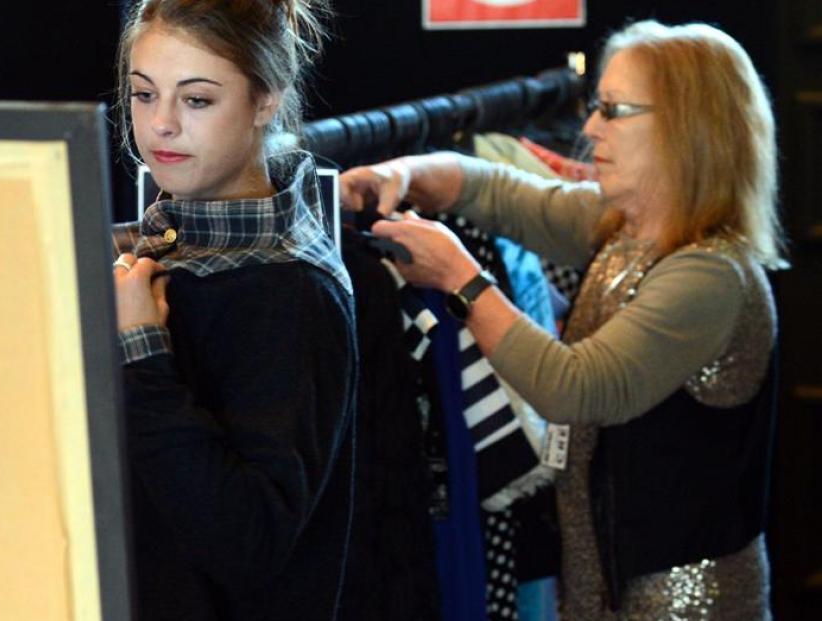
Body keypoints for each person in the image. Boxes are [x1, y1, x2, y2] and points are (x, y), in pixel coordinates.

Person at [340, 20, 783, 620]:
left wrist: (461, 279)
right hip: (603, 594)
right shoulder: (625, 232)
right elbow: (493, 189)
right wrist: (406, 174)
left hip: (686, 604)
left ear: (686, 128)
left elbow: (575, 388)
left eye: (612, 109)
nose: (589, 127)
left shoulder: (710, 276)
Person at [110, 1, 357, 620]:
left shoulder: (286, 288)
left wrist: (141, 352)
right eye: (143, 95)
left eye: (196, 100)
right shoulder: (173, 243)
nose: (161, 124)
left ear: (266, 99)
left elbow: (248, 542)